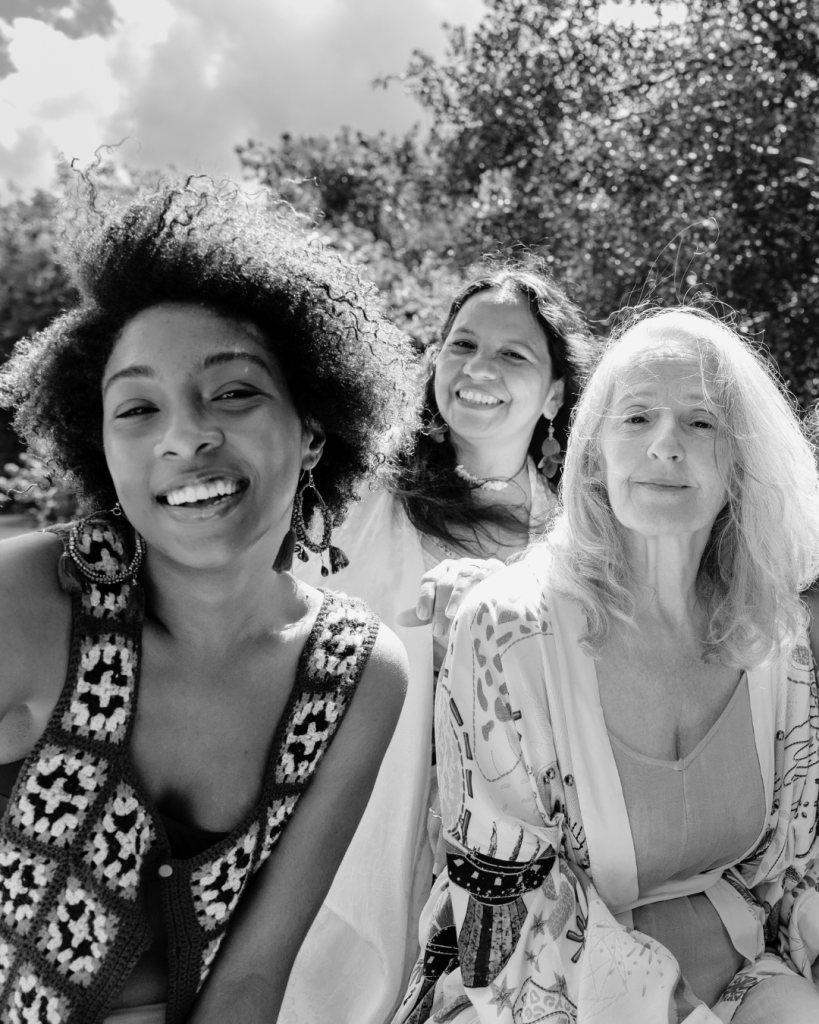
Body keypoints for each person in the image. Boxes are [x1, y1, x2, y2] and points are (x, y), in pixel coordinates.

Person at [0, 179, 412, 1024]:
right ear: (99, 447)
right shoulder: (29, 597)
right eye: (137, 408)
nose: (184, 435)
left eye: (233, 392)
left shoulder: (357, 672)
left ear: (312, 431)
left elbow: (253, 978)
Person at [394, 307, 819, 1024]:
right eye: (636, 418)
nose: (665, 445)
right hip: (538, 998)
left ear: (742, 460)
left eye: (702, 422)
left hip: (741, 972)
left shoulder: (772, 632)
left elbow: (793, 872)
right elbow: (505, 915)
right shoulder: (507, 629)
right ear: (593, 453)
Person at [283, 263, 596, 1024]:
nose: (478, 369)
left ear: (555, 394)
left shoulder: (575, 542)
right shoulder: (353, 492)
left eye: (513, 354)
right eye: (462, 345)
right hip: (336, 833)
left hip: (486, 862)